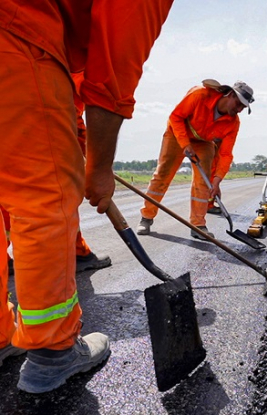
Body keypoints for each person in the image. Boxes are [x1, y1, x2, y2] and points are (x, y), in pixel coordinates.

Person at [0, 0, 173, 393]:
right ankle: (53, 350)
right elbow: (112, 75)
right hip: (16, 40)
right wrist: (98, 170)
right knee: (43, 199)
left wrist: (89, 158)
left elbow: (80, 91)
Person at [1, 72, 112, 276]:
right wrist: (92, 162)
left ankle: (74, 251)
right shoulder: (69, 69)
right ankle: (74, 253)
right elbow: (69, 107)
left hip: (15, 114)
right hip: (48, 119)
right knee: (62, 192)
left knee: (11, 190)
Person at [137, 80, 253, 240]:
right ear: (231, 95)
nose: (239, 110)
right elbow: (176, 116)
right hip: (178, 134)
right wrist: (184, 144)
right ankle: (146, 217)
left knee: (204, 182)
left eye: (243, 108)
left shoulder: (233, 123)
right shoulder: (200, 95)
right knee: (163, 174)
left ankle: (198, 225)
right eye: (239, 104)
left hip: (203, 141)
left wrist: (217, 180)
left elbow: (226, 154)